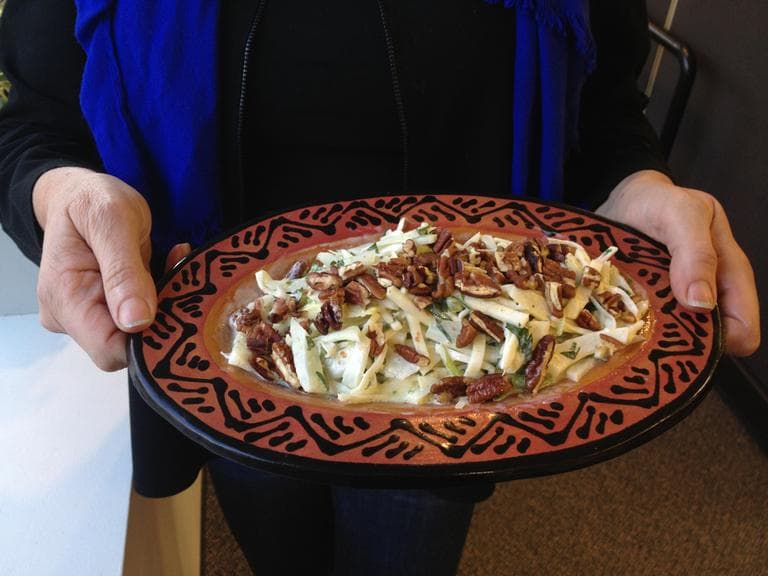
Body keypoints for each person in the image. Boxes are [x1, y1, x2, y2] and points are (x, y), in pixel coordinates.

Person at [0, 0, 759, 574]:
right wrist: (60, 193)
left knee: (408, 544)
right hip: (225, 353)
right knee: (275, 541)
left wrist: (635, 182)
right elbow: (31, 123)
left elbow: (600, 105)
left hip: (456, 374)